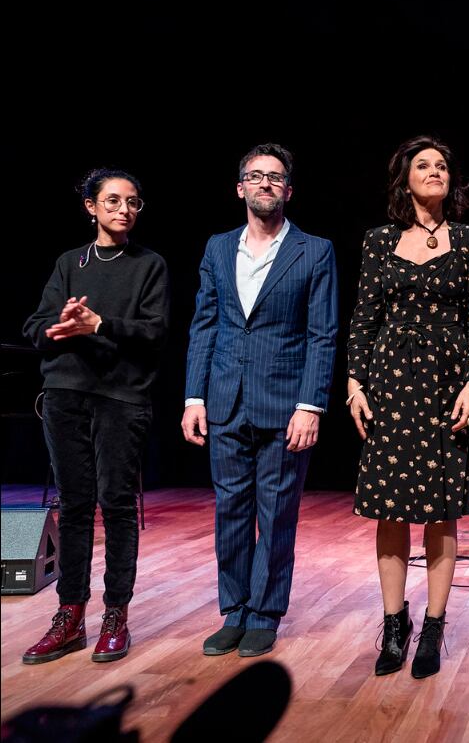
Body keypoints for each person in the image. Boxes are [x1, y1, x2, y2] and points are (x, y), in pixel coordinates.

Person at [181, 143, 338, 658]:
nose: (264, 183)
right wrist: (194, 396)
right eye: (255, 175)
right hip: (225, 398)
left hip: (285, 402)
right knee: (229, 508)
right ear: (240, 187)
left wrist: (310, 406)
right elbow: (204, 324)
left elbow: (322, 334)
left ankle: (265, 613)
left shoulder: (314, 250)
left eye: (274, 176)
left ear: (288, 190)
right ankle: (235, 610)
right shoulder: (218, 247)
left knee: (275, 512)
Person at [346, 135, 469, 679]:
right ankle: (394, 625)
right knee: (390, 508)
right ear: (404, 179)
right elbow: (364, 316)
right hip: (389, 382)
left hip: (446, 383)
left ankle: (433, 625)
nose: (434, 171)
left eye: (441, 166)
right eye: (423, 165)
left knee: (441, 508)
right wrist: (355, 383)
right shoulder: (379, 240)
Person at [22, 169, 169, 665]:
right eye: (113, 201)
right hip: (65, 393)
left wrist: (100, 324)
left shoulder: (149, 265)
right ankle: (69, 615)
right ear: (91, 206)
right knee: (74, 506)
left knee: (118, 504)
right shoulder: (70, 263)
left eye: (133, 202)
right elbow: (35, 325)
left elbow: (155, 332)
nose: (124, 209)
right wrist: (59, 327)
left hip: (121, 397)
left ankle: (115, 615)